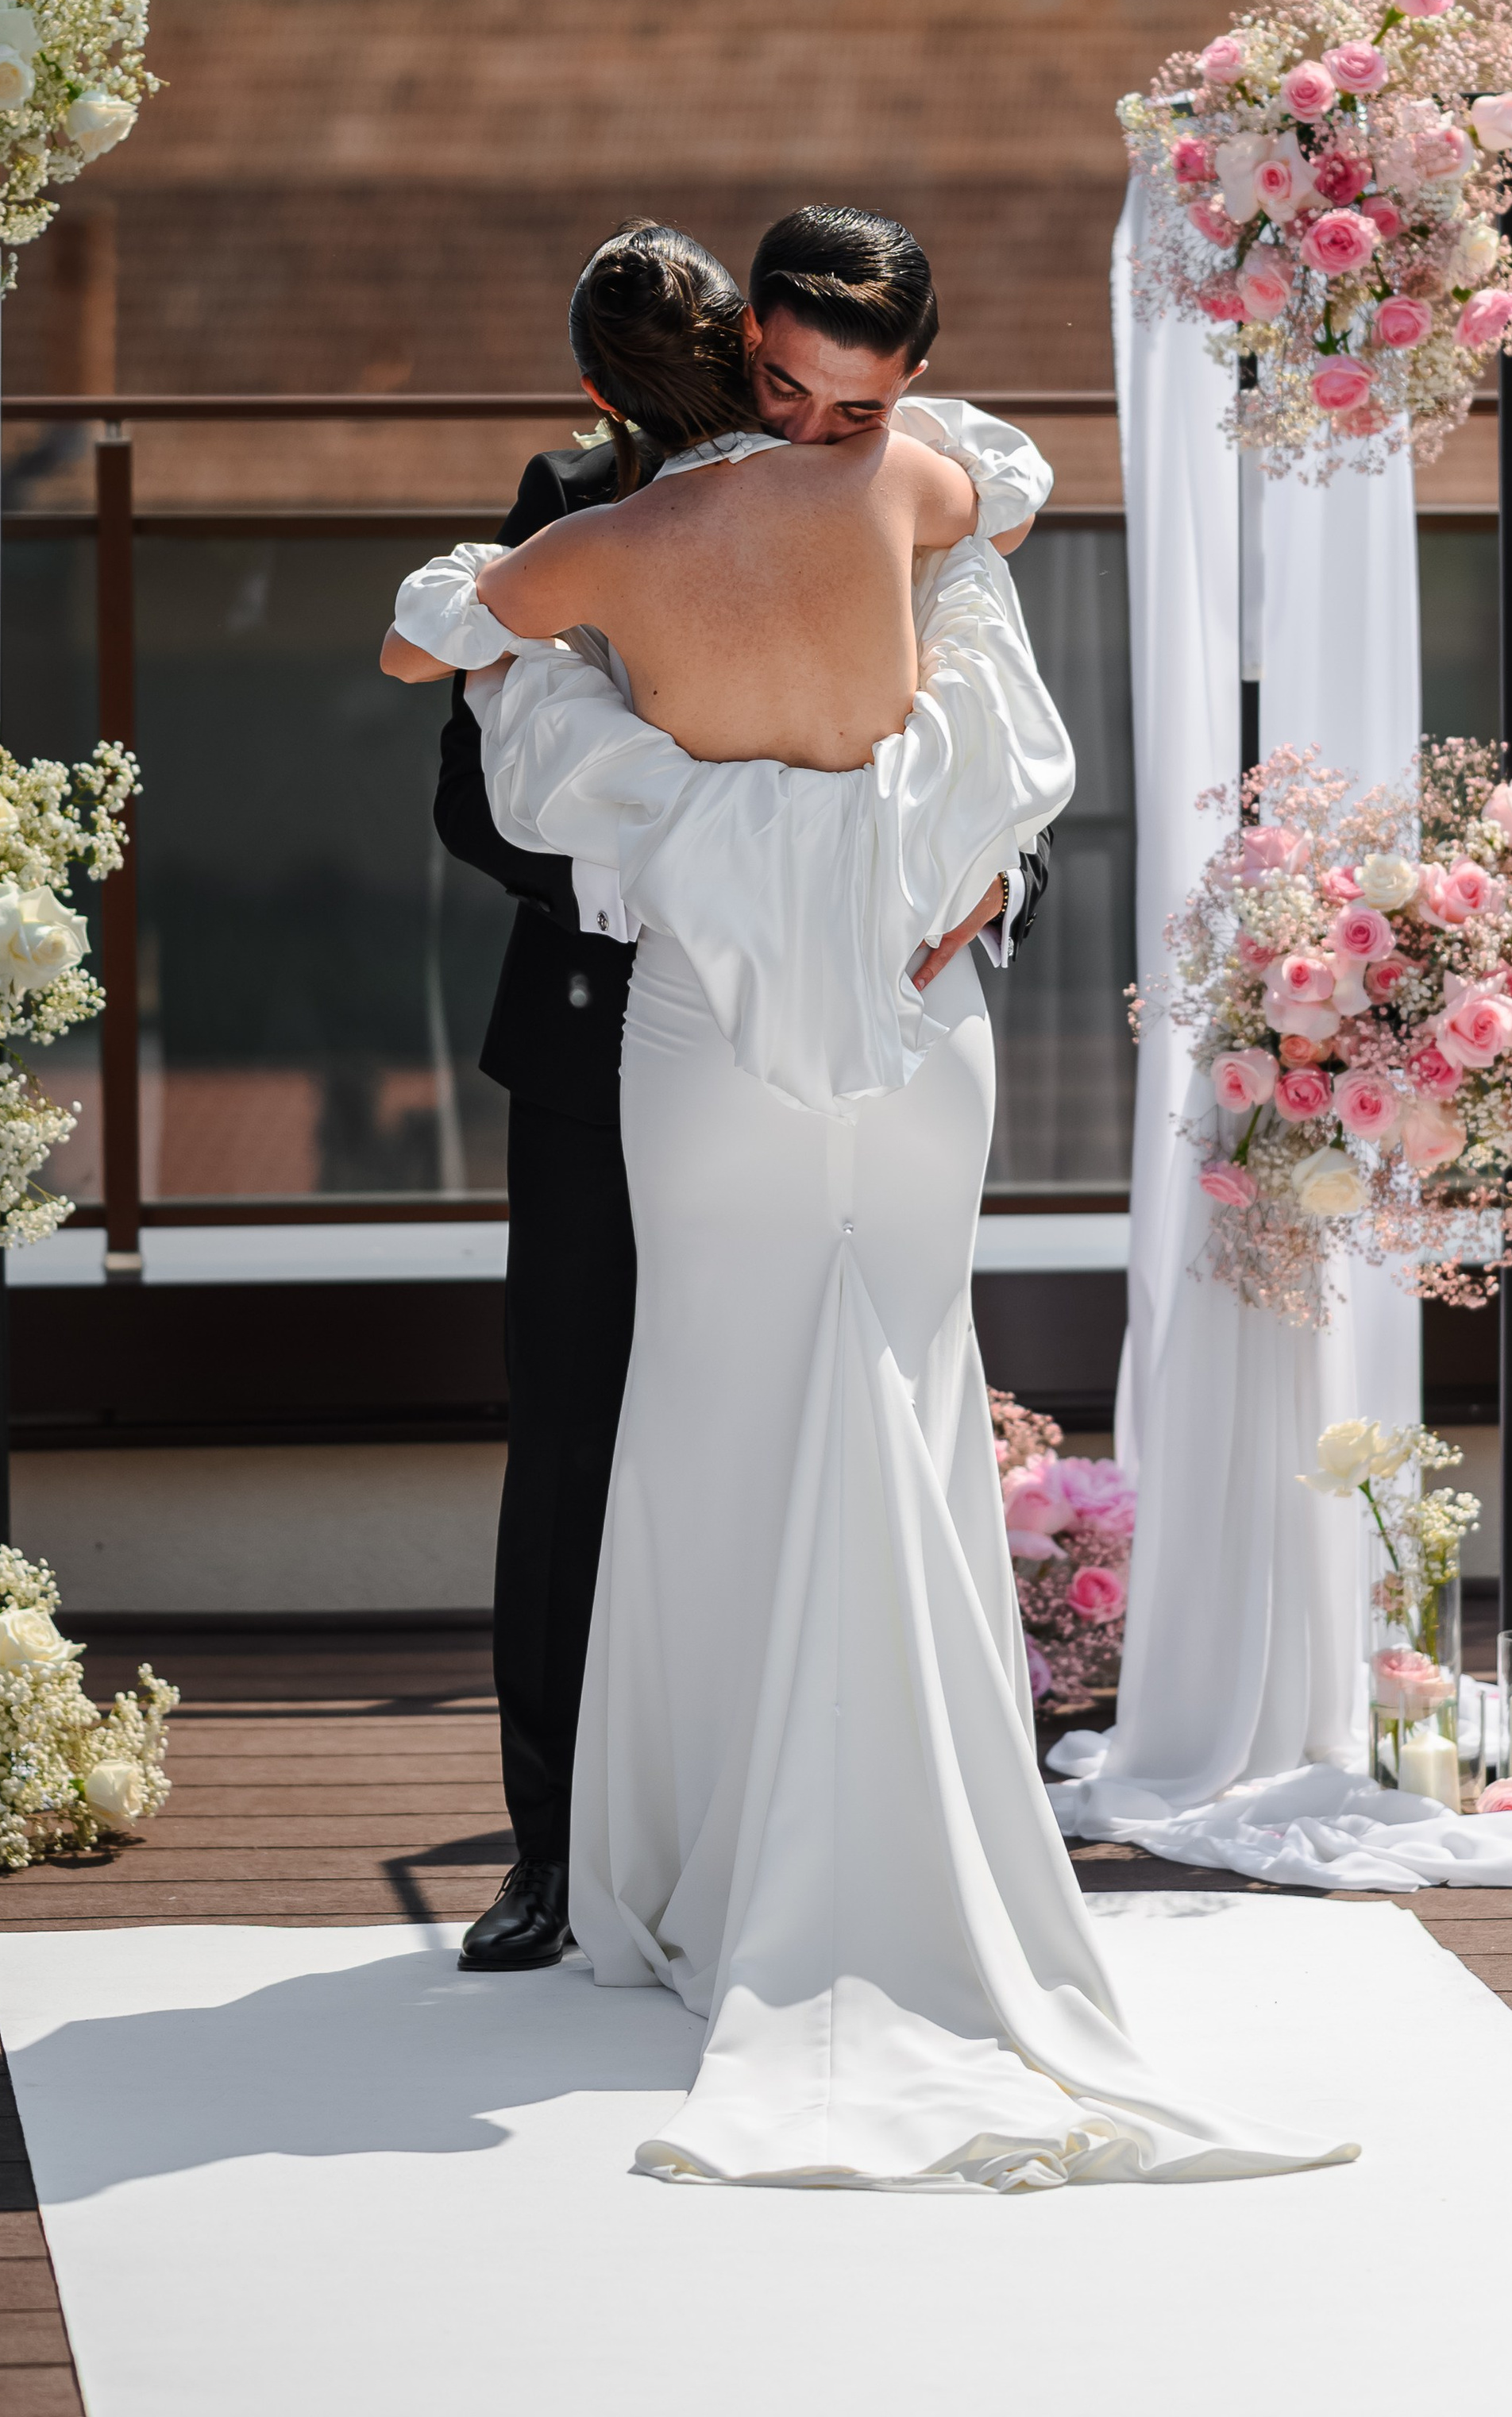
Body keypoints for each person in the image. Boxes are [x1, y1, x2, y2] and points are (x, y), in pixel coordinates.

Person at [383, 230, 1355, 2191]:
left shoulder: (679, 527)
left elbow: (440, 656)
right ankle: (596, 1857)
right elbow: (482, 808)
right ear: (734, 347)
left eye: (863, 398)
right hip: (748, 1030)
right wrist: (759, 852)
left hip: (776, 1013)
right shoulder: (902, 482)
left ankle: (724, 1865)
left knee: (738, 1410)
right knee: (634, 1413)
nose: (833, 425)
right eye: (797, 389)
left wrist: (732, 833)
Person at [413, 211, 1054, 1970]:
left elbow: (979, 719)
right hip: (610, 1017)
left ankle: (816, 1816)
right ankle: (556, 1849)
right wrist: (679, 871)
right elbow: (472, 797)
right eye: (760, 382)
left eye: (816, 393)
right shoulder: (569, 497)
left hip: (871, 998)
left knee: (813, 1394)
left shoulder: (890, 470)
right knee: (576, 1420)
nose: (786, 418)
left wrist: (987, 874)